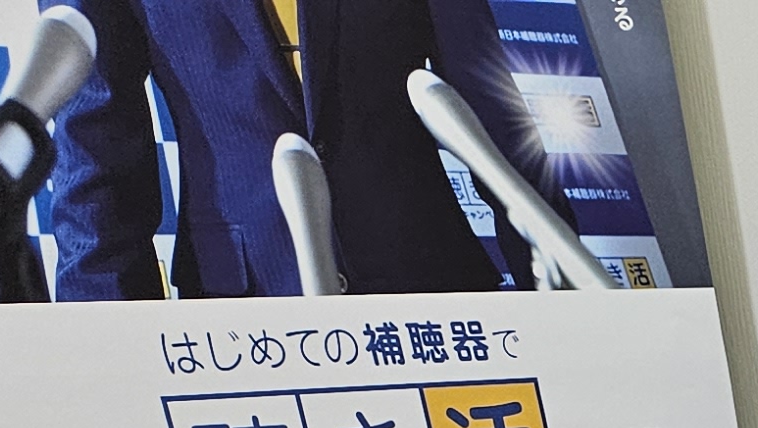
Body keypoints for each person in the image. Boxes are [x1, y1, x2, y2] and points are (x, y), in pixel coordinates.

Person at [47, 0, 535, 300]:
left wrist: (558, 294)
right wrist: (111, 356)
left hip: (429, 284)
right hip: (242, 308)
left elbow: (490, 104)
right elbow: (95, 154)